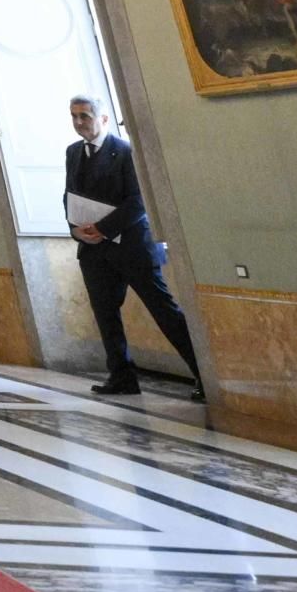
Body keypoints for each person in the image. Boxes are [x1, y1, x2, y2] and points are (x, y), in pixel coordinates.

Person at [67, 95, 201, 396]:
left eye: (85, 116)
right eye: (74, 116)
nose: (78, 122)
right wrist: (76, 230)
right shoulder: (73, 152)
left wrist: (103, 228)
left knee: (165, 311)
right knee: (105, 315)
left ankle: (204, 374)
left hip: (132, 246)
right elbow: (69, 195)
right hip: (94, 250)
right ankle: (122, 376)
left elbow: (139, 201)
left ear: (103, 119)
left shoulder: (126, 151)